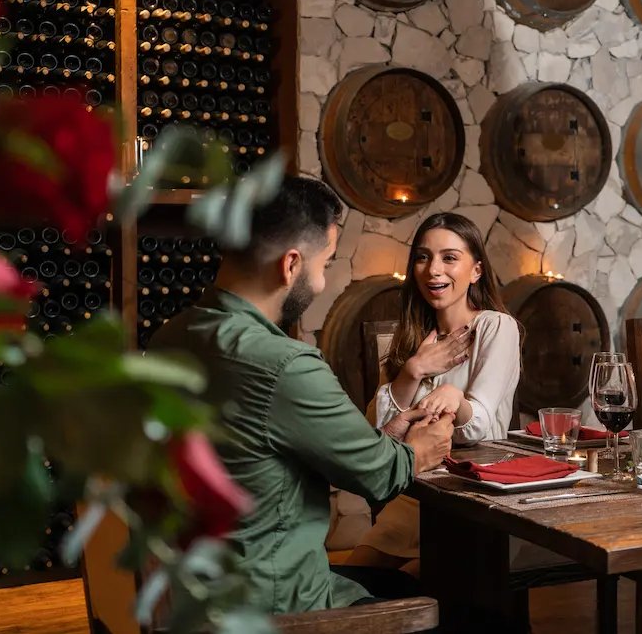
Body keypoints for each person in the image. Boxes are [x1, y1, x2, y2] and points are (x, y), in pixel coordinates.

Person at [146, 175, 455, 614]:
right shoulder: (286, 364)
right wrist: (419, 451)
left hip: (197, 595)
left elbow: (259, 455)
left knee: (403, 581)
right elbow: (380, 475)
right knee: (484, 619)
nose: (323, 282)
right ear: (291, 265)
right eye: (325, 264)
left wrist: (384, 432)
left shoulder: (169, 337)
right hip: (281, 606)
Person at [346, 212, 521, 573]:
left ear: (476, 270)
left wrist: (457, 401)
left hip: (470, 501)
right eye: (423, 257)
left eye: (449, 257)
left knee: (412, 599)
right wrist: (414, 370)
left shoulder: (496, 327)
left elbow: (483, 427)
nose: (432, 270)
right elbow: (377, 431)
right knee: (348, 590)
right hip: (412, 500)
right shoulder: (411, 337)